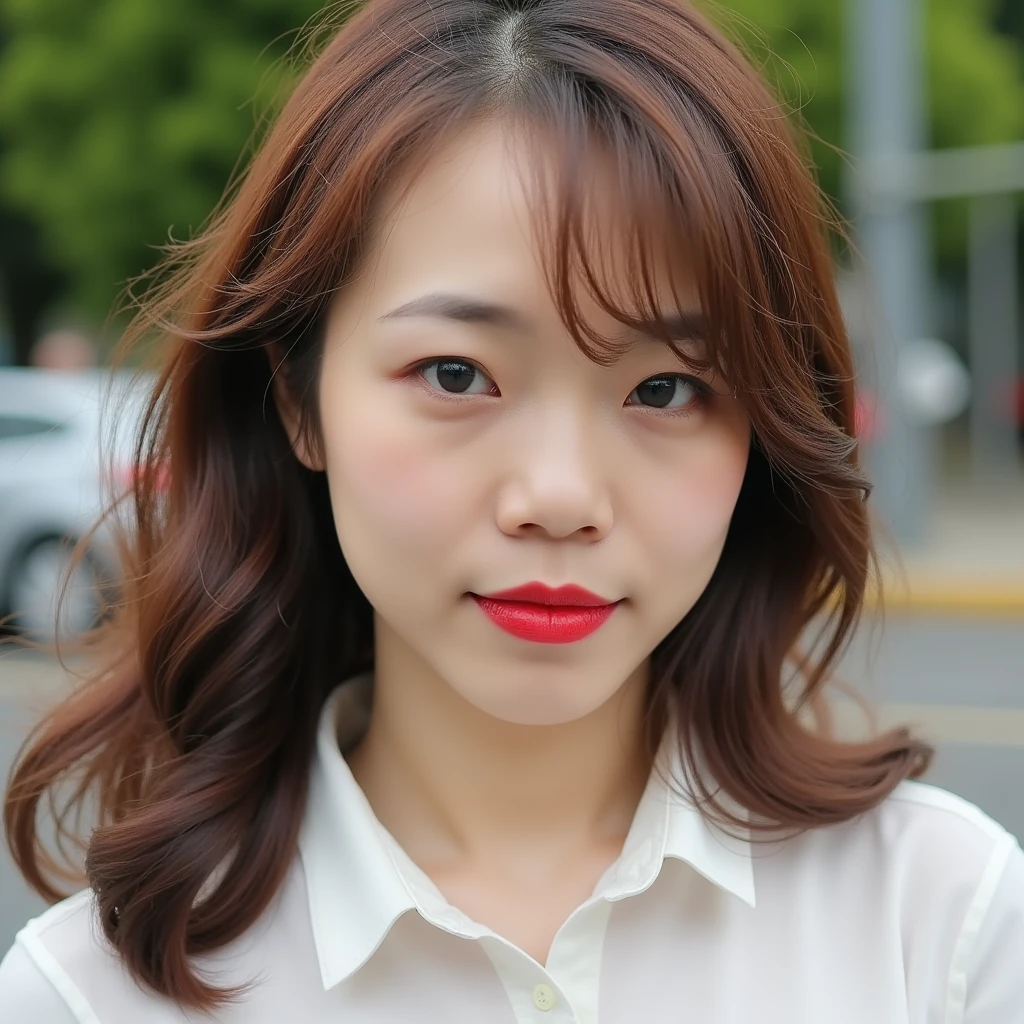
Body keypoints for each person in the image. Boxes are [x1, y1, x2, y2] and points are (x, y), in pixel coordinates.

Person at [2, 1, 1022, 1020]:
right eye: (456, 373)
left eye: (663, 389)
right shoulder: (94, 994)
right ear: (297, 399)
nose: (560, 497)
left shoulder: (939, 922)